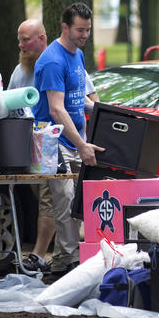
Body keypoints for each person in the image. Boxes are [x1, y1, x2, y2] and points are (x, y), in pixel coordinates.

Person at [10, 19, 98, 273]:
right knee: (59, 199)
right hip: (44, 142)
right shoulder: (22, 71)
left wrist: (91, 128)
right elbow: (13, 106)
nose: (21, 45)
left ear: (42, 38)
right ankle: (59, 258)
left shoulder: (66, 59)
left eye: (26, 39)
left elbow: (88, 97)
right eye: (20, 39)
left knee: (63, 200)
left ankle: (56, 257)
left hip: (68, 139)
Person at [31, 3, 105, 276]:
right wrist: (82, 144)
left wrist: (102, 111)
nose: (84, 35)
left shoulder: (78, 55)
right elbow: (56, 108)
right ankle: (73, 264)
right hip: (51, 139)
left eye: (87, 30)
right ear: (65, 27)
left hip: (75, 138)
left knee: (75, 205)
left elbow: (77, 98)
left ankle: (61, 264)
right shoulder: (53, 60)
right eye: (79, 30)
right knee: (63, 202)